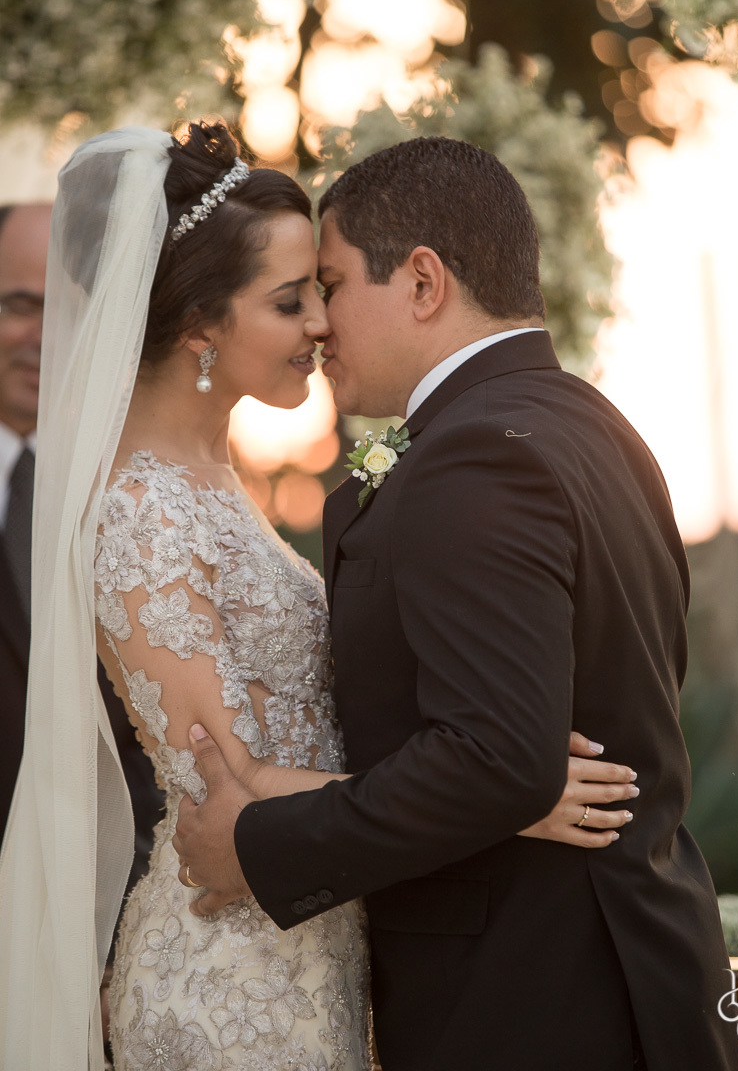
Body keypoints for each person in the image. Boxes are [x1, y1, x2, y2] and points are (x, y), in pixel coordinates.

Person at [0, 123, 632, 1071]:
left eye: (324, 295)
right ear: (200, 325)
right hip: (228, 971)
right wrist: (506, 798)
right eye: (292, 300)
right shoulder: (137, 510)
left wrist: (481, 783)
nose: (322, 326)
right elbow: (224, 779)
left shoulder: (220, 485)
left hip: (316, 932)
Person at [174, 137, 738, 1071]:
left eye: (332, 284)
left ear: (423, 282)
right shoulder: (595, 425)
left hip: (534, 1004)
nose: (319, 323)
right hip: (631, 970)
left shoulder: (474, 456)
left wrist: (260, 848)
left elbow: (498, 758)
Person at [0, 202, 164, 896]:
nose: (46, 336)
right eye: (20, 305)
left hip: (99, 894)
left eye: (70, 311)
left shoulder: (136, 493)